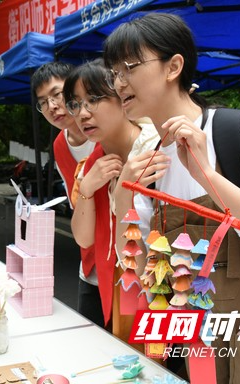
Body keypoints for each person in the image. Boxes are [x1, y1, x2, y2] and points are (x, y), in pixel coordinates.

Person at [104, 13, 240, 383]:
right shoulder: (146, 161)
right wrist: (123, 205)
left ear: (173, 66)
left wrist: (209, 179)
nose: (119, 82)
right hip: (199, 348)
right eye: (113, 72)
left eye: (129, 66)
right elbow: (142, 276)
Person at [63, 59, 159, 348]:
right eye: (75, 104)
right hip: (115, 284)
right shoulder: (91, 165)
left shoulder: (156, 151)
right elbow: (83, 237)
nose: (83, 113)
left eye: (93, 99)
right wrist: (89, 188)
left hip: (164, 287)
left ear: (123, 96)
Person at [30, 62, 100, 325]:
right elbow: (78, 205)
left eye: (57, 94)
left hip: (127, 267)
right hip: (90, 268)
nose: (52, 106)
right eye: (43, 102)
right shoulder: (60, 146)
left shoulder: (110, 131)